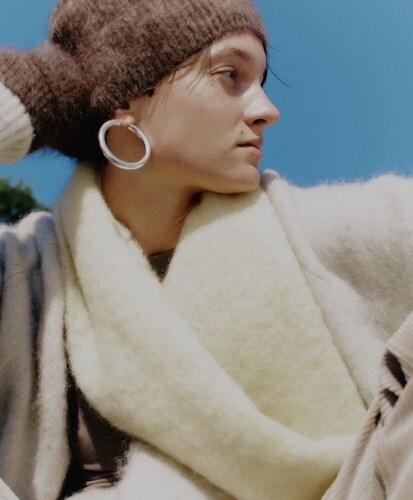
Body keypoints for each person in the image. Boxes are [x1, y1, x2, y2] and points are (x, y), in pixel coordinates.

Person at [0, 0, 412, 499]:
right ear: (127, 97)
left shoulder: (318, 226)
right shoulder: (29, 270)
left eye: (261, 82)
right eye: (229, 74)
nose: (267, 111)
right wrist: (33, 94)